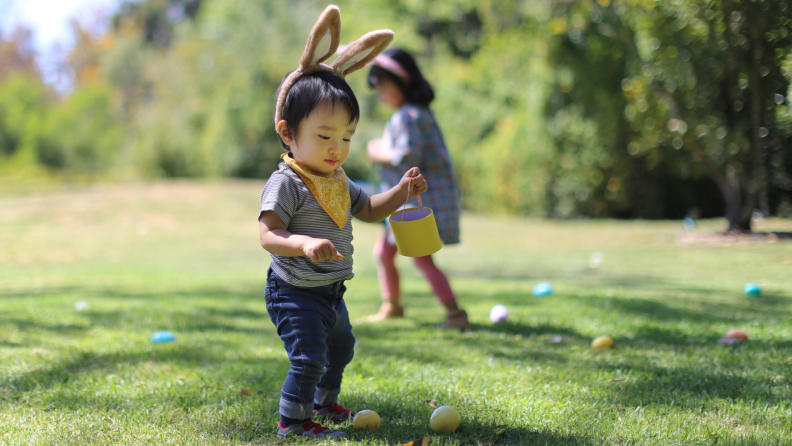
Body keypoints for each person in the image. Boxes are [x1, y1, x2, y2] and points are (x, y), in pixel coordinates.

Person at [258, 6, 427, 440]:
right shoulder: (288, 182)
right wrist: (304, 244)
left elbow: (369, 209)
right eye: (325, 136)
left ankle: (324, 403)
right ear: (287, 131)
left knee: (342, 347)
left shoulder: (337, 180)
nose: (338, 148)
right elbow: (267, 234)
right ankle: (292, 423)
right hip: (294, 290)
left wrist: (402, 192)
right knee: (309, 357)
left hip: (331, 290)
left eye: (347, 137)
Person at [363, 48, 471, 331]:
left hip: (417, 201)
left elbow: (406, 156)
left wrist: (377, 151)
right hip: (415, 201)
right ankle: (391, 305)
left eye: (382, 88)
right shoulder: (416, 113)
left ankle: (455, 313)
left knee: (422, 259)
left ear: (402, 82)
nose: (380, 95)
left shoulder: (407, 115)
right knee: (384, 253)